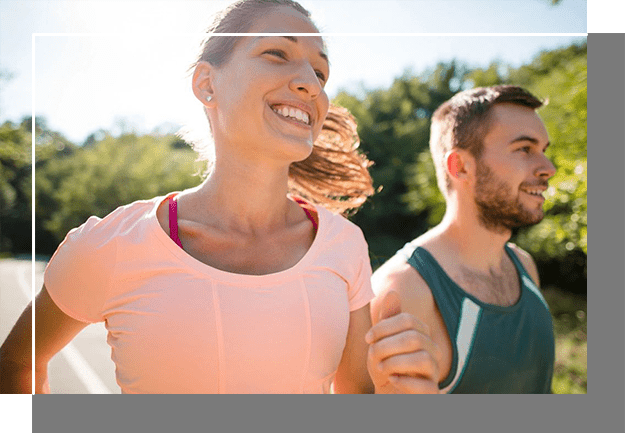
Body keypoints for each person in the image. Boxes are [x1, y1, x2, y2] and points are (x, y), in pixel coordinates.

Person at [0, 0, 437, 394]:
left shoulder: (345, 246)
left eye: (320, 72)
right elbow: (16, 363)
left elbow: (355, 398)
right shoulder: (111, 245)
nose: (310, 83)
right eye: (277, 53)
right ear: (207, 83)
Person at [371, 85, 557, 393]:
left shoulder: (524, 266)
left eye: (544, 150)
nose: (548, 168)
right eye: (525, 149)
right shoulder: (405, 289)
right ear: (461, 166)